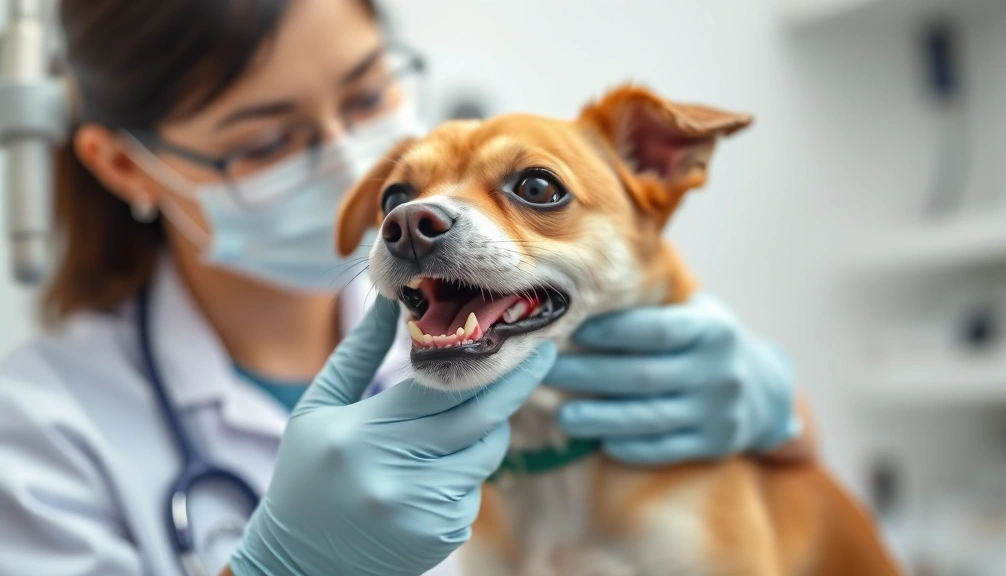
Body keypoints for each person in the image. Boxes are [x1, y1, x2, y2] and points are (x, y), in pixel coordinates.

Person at [0, 1, 816, 575]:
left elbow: (771, 485)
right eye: (266, 140)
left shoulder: (502, 322)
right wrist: (282, 571)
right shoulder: (39, 429)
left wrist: (776, 410)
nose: (350, 156)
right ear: (119, 164)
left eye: (365, 95)